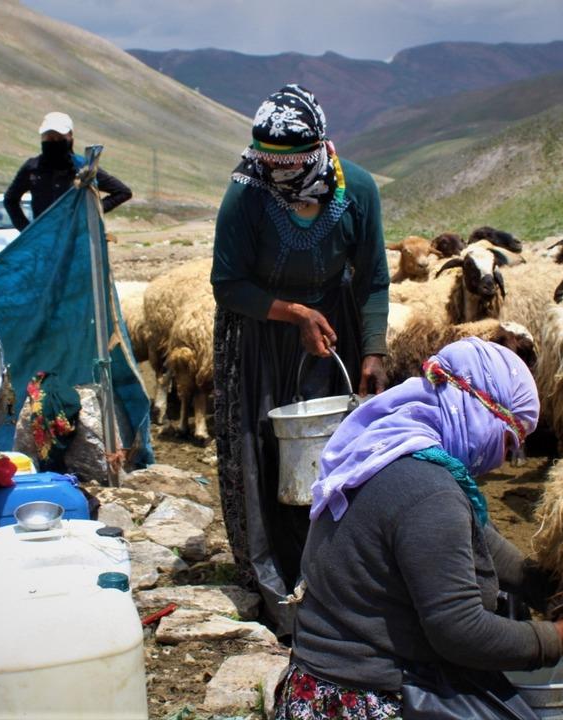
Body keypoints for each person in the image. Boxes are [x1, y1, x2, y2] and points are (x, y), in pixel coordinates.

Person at [277, 339, 563, 718]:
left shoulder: (385, 446)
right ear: (478, 413)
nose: (504, 463)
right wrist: (558, 639)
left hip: (315, 684)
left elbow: (476, 538)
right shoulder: (430, 492)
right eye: (508, 443)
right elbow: (459, 629)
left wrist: (545, 586)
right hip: (361, 698)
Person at [211, 84, 390, 636]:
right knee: (269, 458)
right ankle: (281, 585)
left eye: (291, 163)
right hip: (263, 333)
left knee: (339, 455)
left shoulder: (356, 189)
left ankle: (346, 579)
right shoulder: (247, 193)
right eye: (270, 161)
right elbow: (227, 284)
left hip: (333, 331)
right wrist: (292, 314)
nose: (280, 174)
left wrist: (375, 348)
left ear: (319, 146)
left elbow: (374, 278)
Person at [3, 111, 132, 230]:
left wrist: (90, 214)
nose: (54, 141)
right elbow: (10, 200)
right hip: (44, 242)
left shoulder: (84, 168)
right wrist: (28, 232)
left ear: (70, 136)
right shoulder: (32, 168)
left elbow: (123, 192)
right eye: (49, 137)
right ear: (42, 138)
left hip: (76, 241)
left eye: (59, 137)